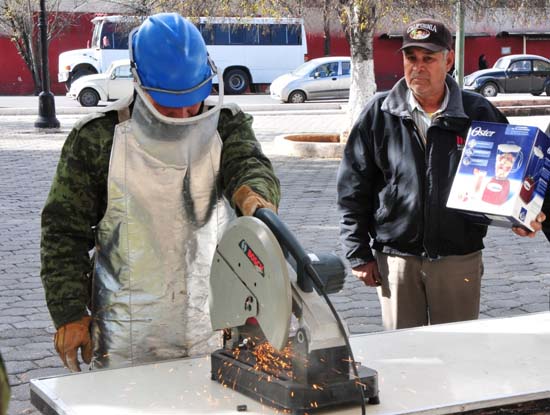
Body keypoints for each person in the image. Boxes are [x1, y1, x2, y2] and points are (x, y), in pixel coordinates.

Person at [40, 13, 280, 372]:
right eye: (170, 104)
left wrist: (254, 193)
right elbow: (63, 233)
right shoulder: (98, 139)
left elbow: (248, 163)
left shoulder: (227, 126)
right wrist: (70, 312)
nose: (185, 114)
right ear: (139, 84)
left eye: (193, 101)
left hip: (215, 326)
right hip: (126, 338)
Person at [337, 18, 545, 331]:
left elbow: (520, 166)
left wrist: (529, 215)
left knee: (456, 355)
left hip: (458, 259)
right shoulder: (378, 114)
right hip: (396, 261)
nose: (418, 67)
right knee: (406, 357)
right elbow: (353, 188)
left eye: (428, 59)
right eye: (411, 58)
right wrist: (358, 253)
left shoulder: (479, 113)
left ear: (448, 60)